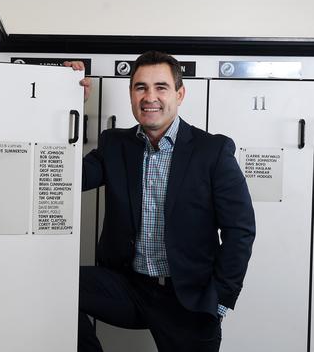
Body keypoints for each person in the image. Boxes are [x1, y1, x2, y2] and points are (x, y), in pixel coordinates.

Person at [64, 51, 256, 352]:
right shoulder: (115, 144)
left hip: (188, 300)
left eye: (161, 87)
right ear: (131, 94)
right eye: (140, 87)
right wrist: (65, 101)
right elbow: (66, 176)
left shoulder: (212, 151)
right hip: (129, 287)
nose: (149, 97)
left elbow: (240, 231)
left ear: (179, 94)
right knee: (56, 286)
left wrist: (219, 301)